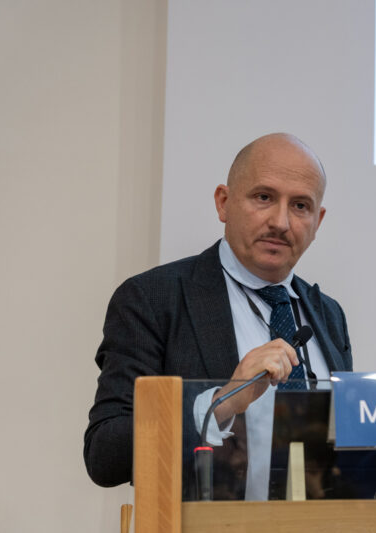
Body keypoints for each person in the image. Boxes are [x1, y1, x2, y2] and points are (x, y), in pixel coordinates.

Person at [84, 133, 352, 499]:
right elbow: (105, 454)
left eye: (300, 205)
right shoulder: (154, 299)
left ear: (317, 221)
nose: (281, 222)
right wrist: (221, 403)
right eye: (264, 197)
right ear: (224, 203)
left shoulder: (328, 314)